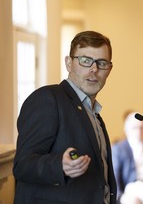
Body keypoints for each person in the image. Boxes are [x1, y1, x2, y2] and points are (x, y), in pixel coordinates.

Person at [13, 31, 117, 204]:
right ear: (69, 63)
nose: (94, 69)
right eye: (85, 61)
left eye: (102, 63)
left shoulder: (93, 114)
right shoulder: (48, 99)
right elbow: (22, 165)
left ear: (109, 69)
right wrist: (59, 165)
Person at [112, 111, 143, 203]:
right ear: (126, 130)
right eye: (135, 128)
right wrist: (120, 197)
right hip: (131, 191)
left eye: (142, 128)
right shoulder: (118, 149)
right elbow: (114, 176)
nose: (139, 131)